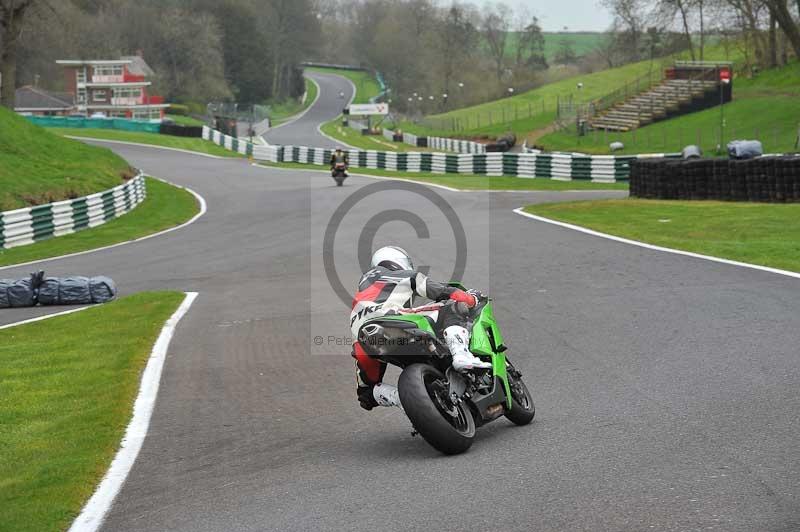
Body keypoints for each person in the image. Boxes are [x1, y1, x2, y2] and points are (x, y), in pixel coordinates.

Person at [350, 246, 491, 410]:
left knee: (367, 393)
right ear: (400, 261)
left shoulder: (361, 295)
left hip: (364, 339)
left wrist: (366, 390)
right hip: (392, 319)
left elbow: (364, 382)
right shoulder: (393, 275)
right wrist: (469, 298)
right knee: (451, 306)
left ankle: (401, 399)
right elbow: (432, 287)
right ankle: (461, 354)